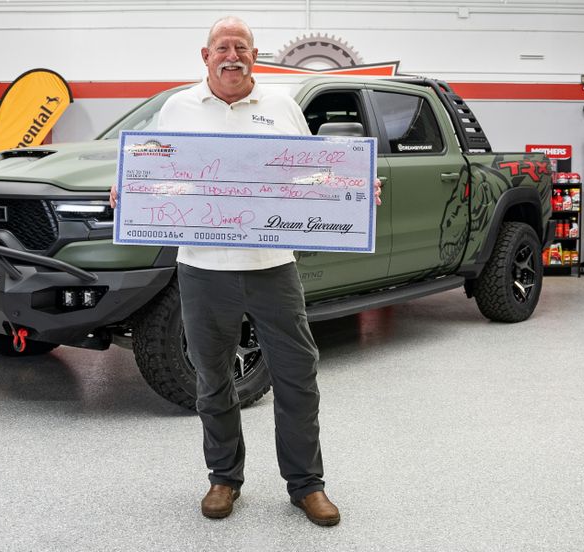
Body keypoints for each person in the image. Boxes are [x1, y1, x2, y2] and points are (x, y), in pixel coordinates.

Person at [111, 16, 380, 526]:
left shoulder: (281, 107)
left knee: (297, 376)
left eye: (241, 47)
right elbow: (153, 170)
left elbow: (310, 173)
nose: (231, 54)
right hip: (202, 267)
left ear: (254, 56)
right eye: (222, 47)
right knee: (213, 378)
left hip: (272, 268)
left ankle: (306, 485)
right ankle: (223, 479)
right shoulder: (178, 108)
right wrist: (130, 191)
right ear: (205, 55)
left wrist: (352, 187)